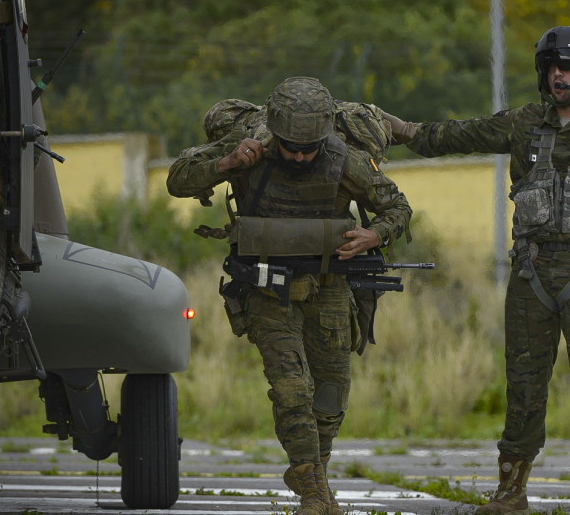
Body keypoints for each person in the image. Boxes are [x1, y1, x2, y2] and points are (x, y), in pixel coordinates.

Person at [385, 26, 570, 515]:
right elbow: (463, 134)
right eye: (552, 67)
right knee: (523, 383)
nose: (558, 75)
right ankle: (511, 490)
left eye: (568, 67)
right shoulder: (525, 123)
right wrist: (404, 131)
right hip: (532, 272)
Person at [166, 77, 412, 515]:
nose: (299, 156)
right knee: (292, 388)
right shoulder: (249, 146)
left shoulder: (344, 160)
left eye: (308, 149)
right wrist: (226, 163)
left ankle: (312, 472)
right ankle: (315, 493)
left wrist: (375, 234)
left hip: (329, 286)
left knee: (331, 394)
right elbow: (178, 179)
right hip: (267, 289)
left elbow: (398, 206)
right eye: (290, 147)